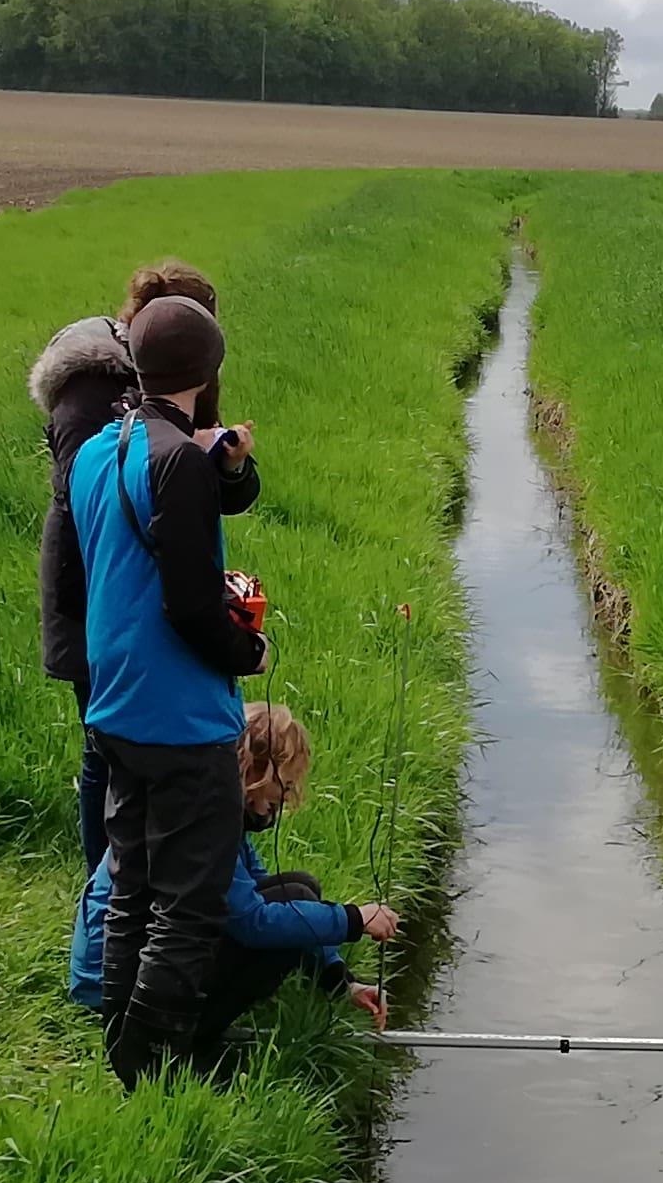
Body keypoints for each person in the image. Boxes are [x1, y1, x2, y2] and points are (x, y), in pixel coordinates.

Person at [72, 290, 273, 1083]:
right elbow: (191, 605)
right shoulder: (177, 461)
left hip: (113, 701)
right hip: (181, 714)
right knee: (188, 907)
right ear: (210, 369)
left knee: (132, 892)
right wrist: (245, 654)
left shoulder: (99, 447)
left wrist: (223, 465)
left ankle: (121, 1053)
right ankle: (148, 1068)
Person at [33, 261, 249, 872]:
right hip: (96, 586)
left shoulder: (172, 384)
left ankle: (134, 887)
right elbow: (94, 499)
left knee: (133, 749)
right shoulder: (95, 388)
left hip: (147, 583)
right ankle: (106, 887)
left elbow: (204, 492)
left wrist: (225, 464)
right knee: (106, 749)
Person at [65, 704, 402, 1048]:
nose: (285, 799)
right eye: (283, 785)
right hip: (114, 988)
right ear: (252, 771)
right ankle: (184, 1037)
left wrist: (340, 980)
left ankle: (187, 1018)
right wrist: (353, 919)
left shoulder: (212, 801)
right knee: (288, 911)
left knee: (300, 888)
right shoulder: (204, 821)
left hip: (131, 965)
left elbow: (260, 889)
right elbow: (253, 922)